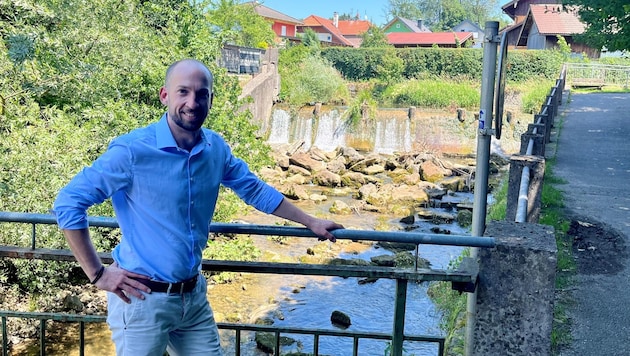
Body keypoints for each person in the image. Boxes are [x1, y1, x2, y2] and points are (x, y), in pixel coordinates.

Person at [53, 58, 344, 355]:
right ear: (165, 95)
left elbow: (254, 190)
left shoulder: (215, 148)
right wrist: (98, 274)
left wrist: (310, 222)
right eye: (183, 92)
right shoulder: (132, 151)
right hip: (142, 300)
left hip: (192, 298)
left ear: (211, 99)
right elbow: (68, 203)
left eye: (201, 94)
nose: (192, 102)